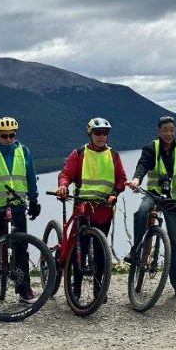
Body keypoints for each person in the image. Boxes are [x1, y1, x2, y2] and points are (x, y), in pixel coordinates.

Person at [56, 117, 127, 301]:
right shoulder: (79, 154)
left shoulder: (113, 155)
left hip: (104, 210)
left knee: (101, 253)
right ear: (90, 134)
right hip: (83, 208)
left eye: (105, 133)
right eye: (97, 133)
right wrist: (63, 186)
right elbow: (66, 173)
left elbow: (121, 179)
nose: (101, 136)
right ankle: (76, 289)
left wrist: (114, 193)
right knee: (80, 249)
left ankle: (98, 289)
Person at [127, 116, 176, 299]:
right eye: (165, 130)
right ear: (159, 131)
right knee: (142, 211)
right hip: (155, 194)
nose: (169, 133)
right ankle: (136, 249)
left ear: (175, 131)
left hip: (174, 200)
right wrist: (136, 180)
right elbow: (142, 165)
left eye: (172, 130)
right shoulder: (151, 148)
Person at [0, 116, 41, 305]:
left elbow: (30, 176)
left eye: (12, 135)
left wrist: (34, 199)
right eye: (4, 136)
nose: (9, 139)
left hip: (18, 205)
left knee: (21, 249)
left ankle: (24, 289)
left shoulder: (24, 151)